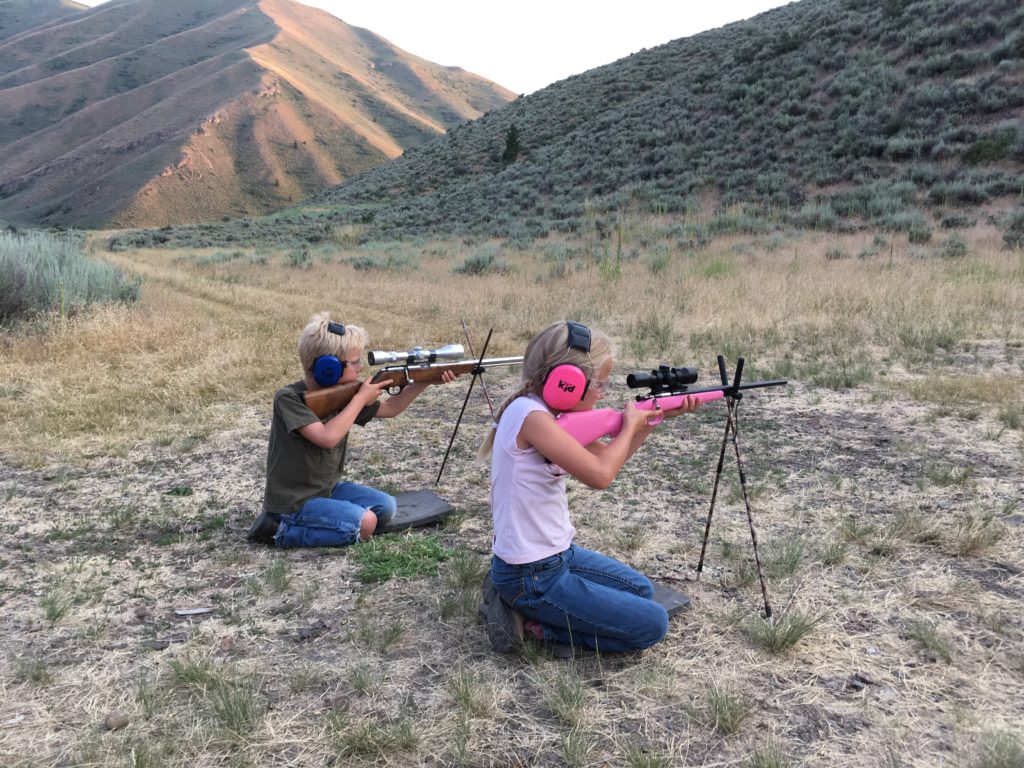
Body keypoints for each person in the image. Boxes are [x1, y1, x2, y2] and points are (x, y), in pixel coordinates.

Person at [479, 320, 701, 653]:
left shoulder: (546, 415)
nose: (602, 394)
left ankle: (510, 596)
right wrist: (629, 426)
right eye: (600, 384)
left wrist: (650, 421)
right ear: (567, 382)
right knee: (651, 624)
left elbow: (609, 457)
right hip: (532, 574)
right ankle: (531, 627)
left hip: (555, 558)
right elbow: (600, 475)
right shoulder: (533, 418)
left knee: (641, 590)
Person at [247, 312, 456, 548]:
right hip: (294, 501)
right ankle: (281, 530)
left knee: (387, 507)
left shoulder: (345, 393)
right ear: (329, 368)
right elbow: (327, 438)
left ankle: (328, 516)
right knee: (365, 523)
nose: (360, 368)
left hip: (327, 490)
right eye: (354, 363)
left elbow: (390, 408)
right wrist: (359, 400)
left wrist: (424, 380)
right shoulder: (288, 399)